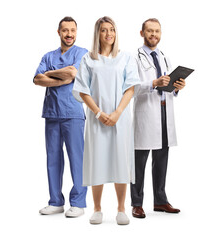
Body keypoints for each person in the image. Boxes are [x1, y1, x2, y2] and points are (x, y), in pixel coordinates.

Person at [72, 16, 140, 225]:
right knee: (97, 160)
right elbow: (83, 90)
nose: (109, 33)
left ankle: (121, 209)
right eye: (104, 30)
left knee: (121, 160)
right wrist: (99, 113)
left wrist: (118, 112)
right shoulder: (89, 59)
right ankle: (98, 209)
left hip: (120, 118)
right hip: (97, 118)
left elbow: (130, 88)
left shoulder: (126, 58)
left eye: (112, 29)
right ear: (97, 33)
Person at [131, 18, 186, 218]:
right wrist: (153, 83)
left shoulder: (164, 57)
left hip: (164, 112)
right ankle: (136, 203)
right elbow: (130, 88)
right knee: (139, 162)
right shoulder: (134, 58)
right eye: (150, 31)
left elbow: (169, 87)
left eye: (157, 31)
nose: (154, 35)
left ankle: (160, 201)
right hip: (146, 115)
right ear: (142, 33)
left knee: (162, 159)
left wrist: (177, 87)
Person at [33, 16, 88, 218]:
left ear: (76, 32)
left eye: (72, 30)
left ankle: (78, 202)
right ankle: (55, 201)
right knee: (53, 159)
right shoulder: (48, 55)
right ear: (59, 32)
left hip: (73, 112)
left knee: (77, 158)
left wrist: (50, 76)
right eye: (65, 30)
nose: (69, 34)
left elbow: (73, 72)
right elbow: (37, 79)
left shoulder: (82, 53)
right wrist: (60, 78)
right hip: (51, 112)